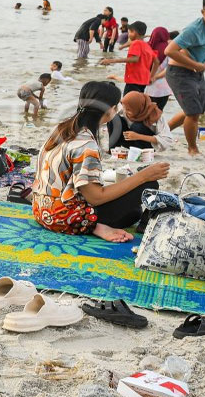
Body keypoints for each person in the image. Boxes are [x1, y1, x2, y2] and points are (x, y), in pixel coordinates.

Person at [32, 81, 170, 242]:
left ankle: (95, 224)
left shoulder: (63, 128)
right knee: (148, 187)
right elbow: (95, 198)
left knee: (134, 211)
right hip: (63, 218)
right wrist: (144, 176)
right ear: (110, 109)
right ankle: (93, 226)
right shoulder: (86, 144)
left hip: (41, 209)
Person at [165, 0, 205, 155]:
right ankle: (192, 149)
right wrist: (196, 65)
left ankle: (161, 133)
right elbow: (169, 50)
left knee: (194, 111)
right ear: (203, 11)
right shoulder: (193, 30)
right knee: (193, 113)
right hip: (179, 73)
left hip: (198, 72)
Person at [107, 91, 175, 152]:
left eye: (129, 110)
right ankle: (113, 149)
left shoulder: (155, 115)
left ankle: (139, 152)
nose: (125, 111)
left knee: (137, 126)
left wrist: (138, 136)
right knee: (115, 119)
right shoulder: (123, 108)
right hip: (128, 140)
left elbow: (166, 140)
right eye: (124, 108)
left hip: (145, 144)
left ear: (139, 107)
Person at [100, 21, 156, 95]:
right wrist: (151, 76)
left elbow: (135, 59)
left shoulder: (135, 43)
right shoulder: (147, 46)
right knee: (136, 102)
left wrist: (111, 60)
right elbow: (156, 61)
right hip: (143, 80)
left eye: (129, 32)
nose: (128, 35)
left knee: (127, 103)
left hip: (134, 80)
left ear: (135, 32)